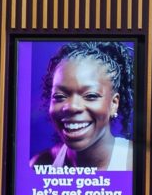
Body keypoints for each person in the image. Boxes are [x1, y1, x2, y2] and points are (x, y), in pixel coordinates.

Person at [29, 41, 134, 171]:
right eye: (59, 96)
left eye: (91, 96)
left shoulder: (139, 163)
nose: (72, 107)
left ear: (114, 104)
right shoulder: (40, 164)